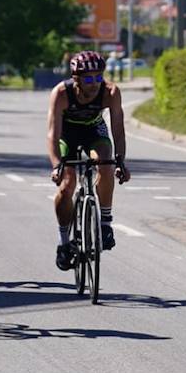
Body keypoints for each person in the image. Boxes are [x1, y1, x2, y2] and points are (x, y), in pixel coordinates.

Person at [47, 49, 131, 271]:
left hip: (94, 130)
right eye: (88, 78)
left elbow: (118, 130)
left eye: (98, 77)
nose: (94, 83)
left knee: (105, 161)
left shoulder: (110, 92)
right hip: (67, 134)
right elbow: (53, 134)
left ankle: (104, 222)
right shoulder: (61, 93)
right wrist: (57, 165)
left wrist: (120, 161)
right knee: (66, 185)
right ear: (76, 78)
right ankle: (64, 242)